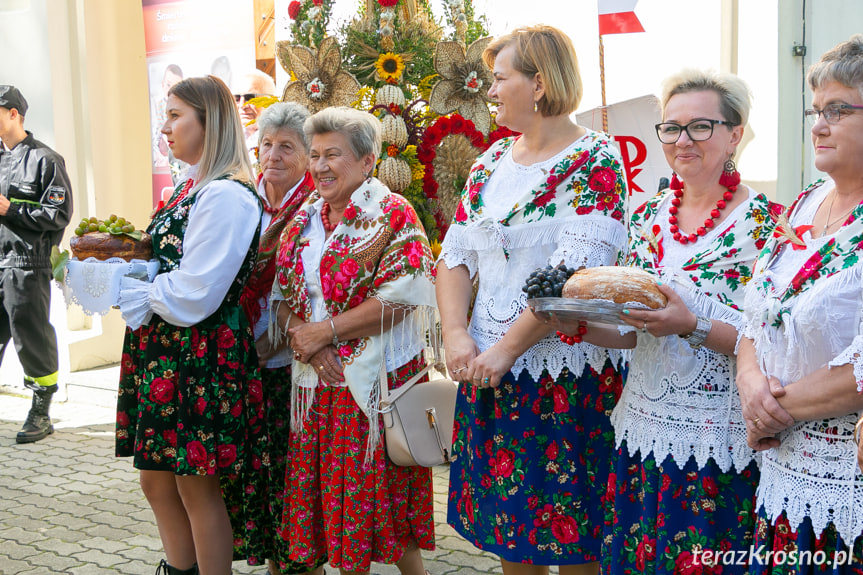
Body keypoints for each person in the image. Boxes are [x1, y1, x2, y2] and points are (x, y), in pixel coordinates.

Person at [437, 25, 629, 575]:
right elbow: (454, 257)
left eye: (501, 79)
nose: (491, 91)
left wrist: (505, 350)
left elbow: (570, 276)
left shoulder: (595, 159)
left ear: (539, 83)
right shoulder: (488, 164)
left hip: (565, 379)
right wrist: (456, 335)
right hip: (489, 369)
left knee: (573, 541)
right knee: (510, 534)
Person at [590, 69, 781, 575]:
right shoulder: (647, 216)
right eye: (671, 128)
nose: (682, 141)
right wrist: (580, 323)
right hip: (643, 434)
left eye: (701, 126)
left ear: (735, 134)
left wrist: (691, 324)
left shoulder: (768, 225)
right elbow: (630, 331)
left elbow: (771, 343)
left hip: (719, 444)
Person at [273, 106, 436, 575]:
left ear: (368, 162)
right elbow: (281, 297)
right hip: (317, 386)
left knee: (383, 508)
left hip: (374, 390)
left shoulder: (393, 213)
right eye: (316, 155)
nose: (320, 166)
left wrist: (326, 331)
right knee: (330, 508)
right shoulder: (304, 217)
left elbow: (406, 295)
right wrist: (311, 342)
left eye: (334, 155)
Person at [114, 75, 261, 575]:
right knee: (156, 479)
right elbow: (166, 266)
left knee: (195, 483)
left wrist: (131, 291)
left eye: (176, 115)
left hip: (199, 352)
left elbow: (197, 291)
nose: (166, 126)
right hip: (166, 348)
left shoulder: (226, 195)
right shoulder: (189, 188)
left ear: (210, 120)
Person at [736, 35, 863, 573]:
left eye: (838, 109)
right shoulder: (806, 202)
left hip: (846, 481)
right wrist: (748, 384)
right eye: (817, 110)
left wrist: (771, 410)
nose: (818, 124)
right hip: (783, 476)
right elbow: (753, 316)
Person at [224, 102, 323, 575]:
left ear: (309, 154)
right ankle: (270, 559)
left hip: (295, 362)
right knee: (252, 466)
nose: (273, 155)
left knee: (293, 470)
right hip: (239, 357)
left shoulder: (319, 206)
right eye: (266, 144)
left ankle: (301, 563)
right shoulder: (241, 198)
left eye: (287, 146)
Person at [0, 85, 73, 444]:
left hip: (26, 264)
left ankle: (41, 412)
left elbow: (58, 214)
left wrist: (11, 209)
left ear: (13, 113)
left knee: (31, 337)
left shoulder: (46, 160)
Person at [233, 69, 277, 169]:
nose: (242, 105)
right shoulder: (228, 139)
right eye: (236, 98)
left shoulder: (279, 138)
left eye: (249, 98)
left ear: (270, 100)